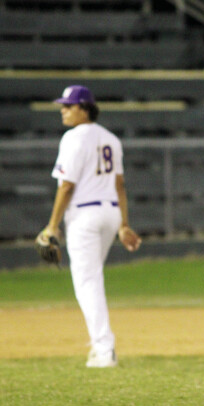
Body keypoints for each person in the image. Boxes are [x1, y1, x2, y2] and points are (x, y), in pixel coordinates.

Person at [37, 85, 141, 368]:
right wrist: (124, 224)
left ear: (84, 108)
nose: (63, 110)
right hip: (109, 215)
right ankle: (102, 346)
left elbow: (67, 185)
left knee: (88, 282)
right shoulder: (111, 138)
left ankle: (104, 349)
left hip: (84, 216)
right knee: (91, 279)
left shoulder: (73, 138)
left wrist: (51, 226)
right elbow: (119, 185)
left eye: (68, 106)